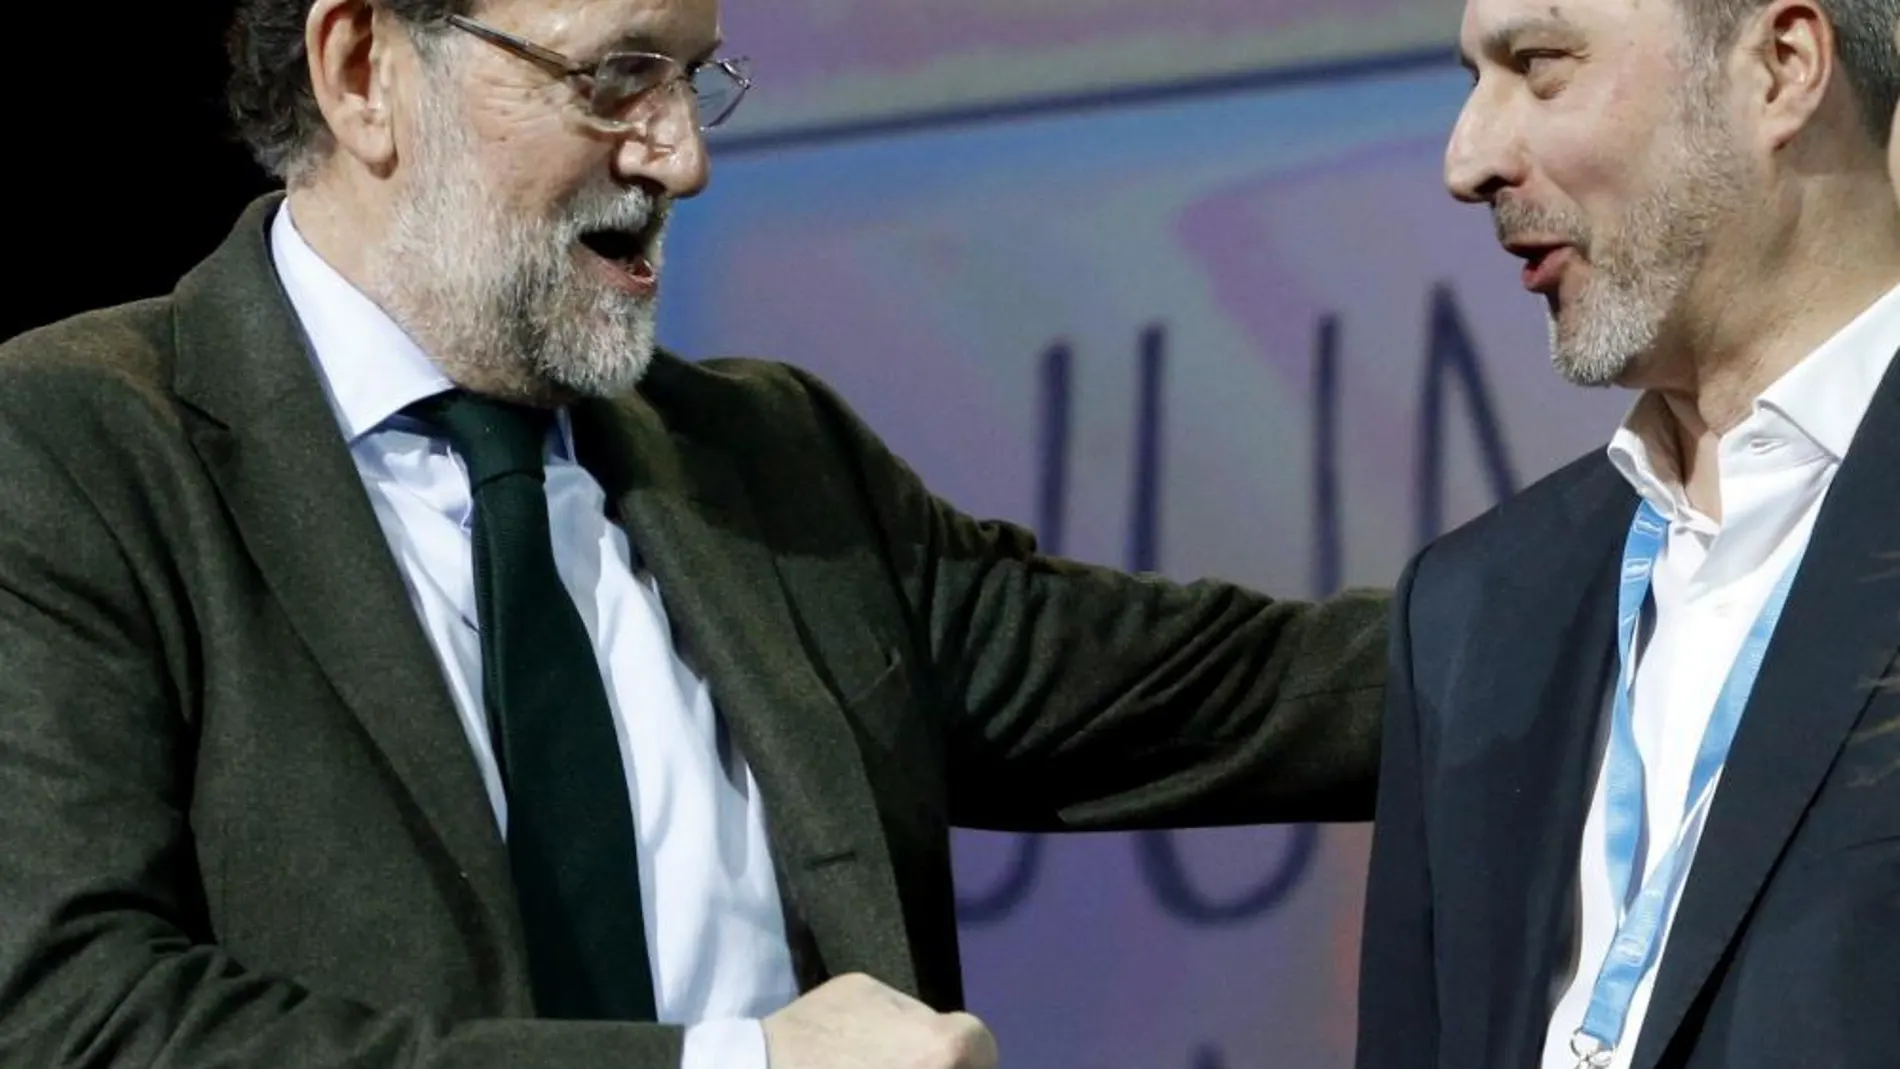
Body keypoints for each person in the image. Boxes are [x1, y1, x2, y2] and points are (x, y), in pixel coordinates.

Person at [0, 1, 1389, 1067]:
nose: (685, 154)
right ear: (365, 69)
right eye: (616, 75)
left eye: (695, 73)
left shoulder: (771, 467)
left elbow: (1247, 693)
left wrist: (1610, 578)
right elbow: (71, 1015)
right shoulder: (73, 454)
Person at [1357, 0, 1900, 1065]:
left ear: (1781, 67)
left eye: (1540, 65)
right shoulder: (1472, 608)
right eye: (1472, 78)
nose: (1467, 160)